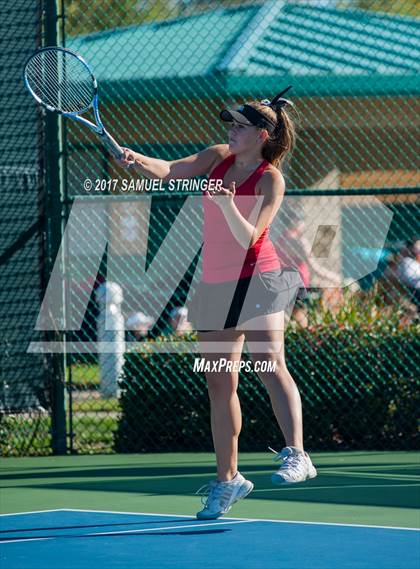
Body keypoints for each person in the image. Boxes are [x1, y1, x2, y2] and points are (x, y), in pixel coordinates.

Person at [117, 86, 317, 520]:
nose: (231, 130)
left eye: (240, 126)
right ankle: (228, 481)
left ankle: (298, 454)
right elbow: (169, 169)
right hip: (214, 284)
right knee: (219, 383)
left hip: (260, 279)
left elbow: (250, 238)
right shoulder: (216, 156)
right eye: (230, 123)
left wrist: (228, 206)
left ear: (262, 135)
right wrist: (136, 160)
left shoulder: (269, 179)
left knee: (269, 364)